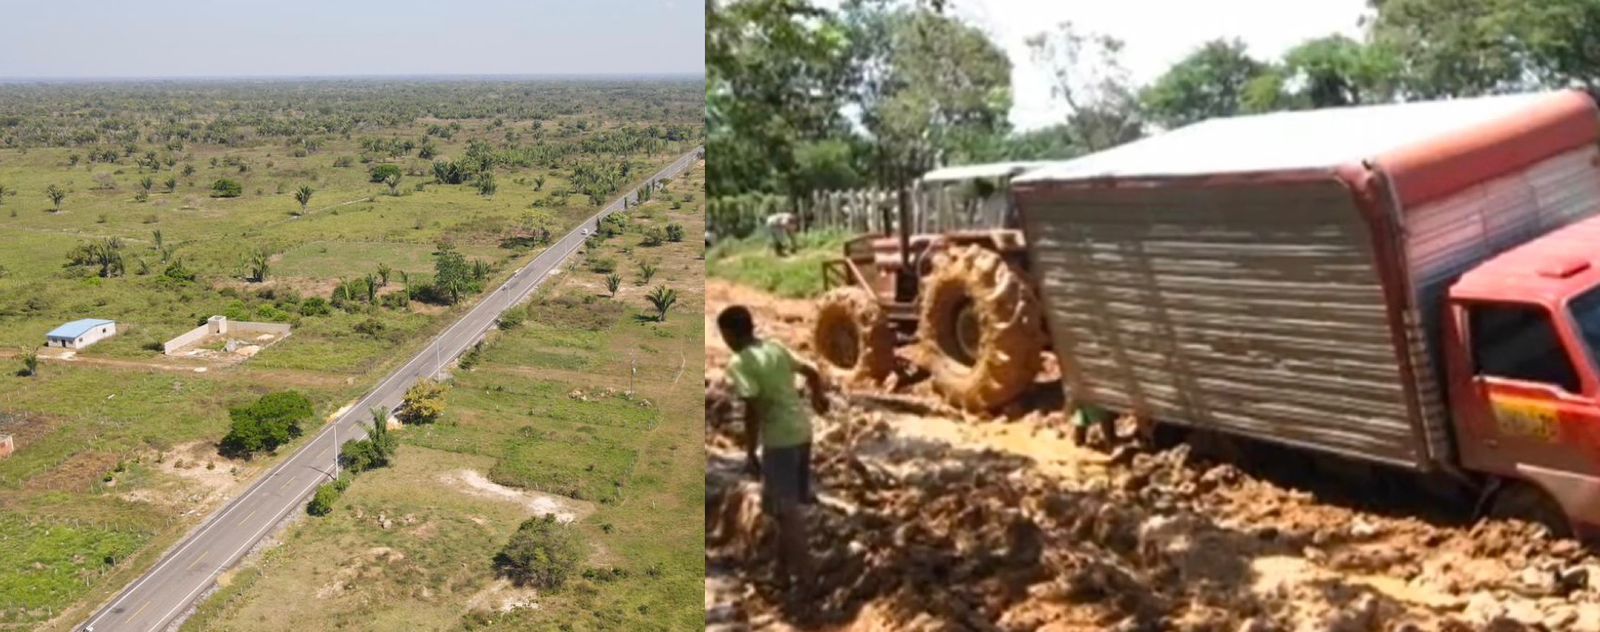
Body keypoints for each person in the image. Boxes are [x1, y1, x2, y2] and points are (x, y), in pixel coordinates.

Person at [716, 305, 827, 586]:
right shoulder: (775, 347)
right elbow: (812, 372)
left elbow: (752, 409)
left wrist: (751, 452)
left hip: (779, 441)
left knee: (788, 513)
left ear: (730, 334)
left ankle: (808, 578)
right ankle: (781, 573)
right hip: (803, 432)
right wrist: (818, 400)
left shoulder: (740, 363)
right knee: (781, 509)